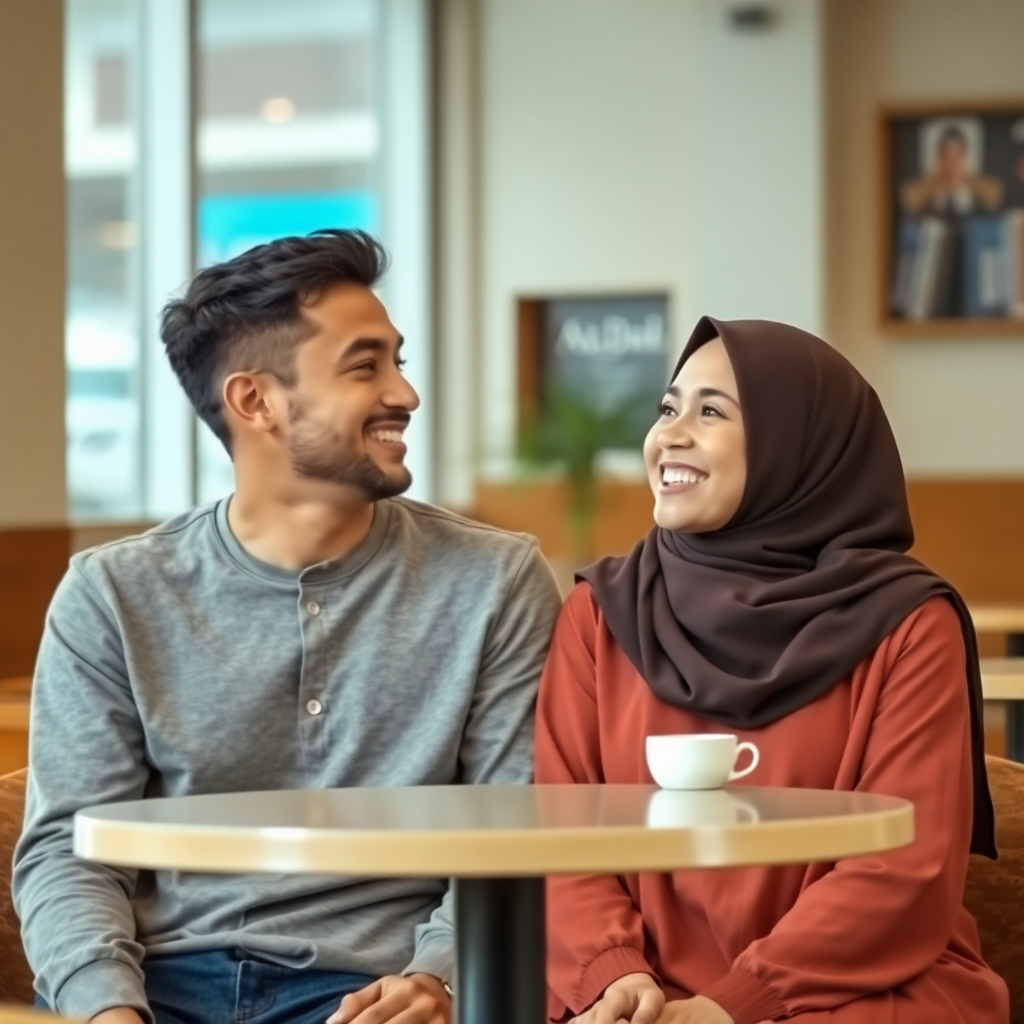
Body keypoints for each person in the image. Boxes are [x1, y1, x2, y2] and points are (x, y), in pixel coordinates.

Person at [14, 229, 562, 1024]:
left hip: (379, 989)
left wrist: (440, 978)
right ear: (254, 401)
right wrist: (106, 1010)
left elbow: (518, 829)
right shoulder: (112, 593)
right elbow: (69, 848)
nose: (405, 395)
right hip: (158, 986)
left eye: (397, 362)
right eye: (364, 366)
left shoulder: (496, 580)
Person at [536, 316, 1009, 1024]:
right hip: (639, 989)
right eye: (667, 408)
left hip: (852, 987)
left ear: (801, 446)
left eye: (712, 412)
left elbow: (906, 869)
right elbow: (558, 827)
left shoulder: (908, 622)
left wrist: (732, 1004)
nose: (670, 434)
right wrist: (611, 974)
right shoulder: (599, 613)